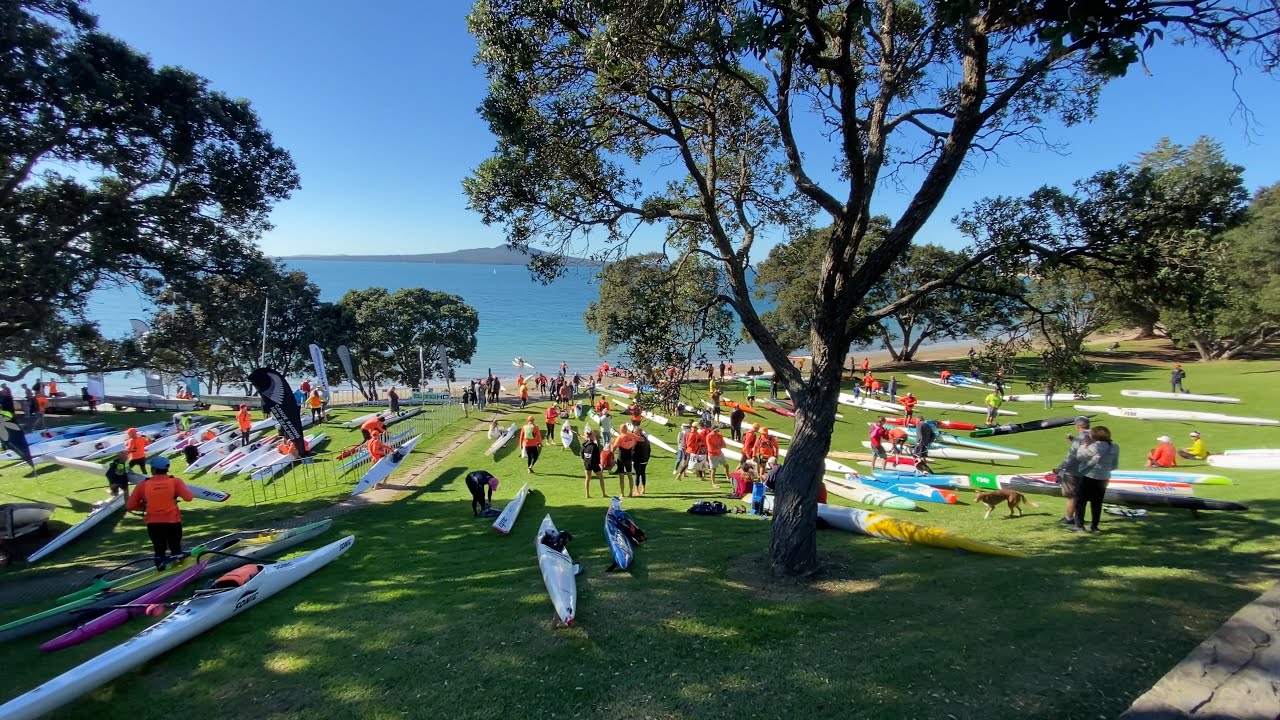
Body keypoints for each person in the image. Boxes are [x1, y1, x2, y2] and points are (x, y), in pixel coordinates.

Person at [126, 455, 194, 570]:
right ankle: (181, 568)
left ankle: (160, 568)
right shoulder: (176, 482)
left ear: (153, 469)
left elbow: (130, 505)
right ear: (166, 469)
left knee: (159, 550)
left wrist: (143, 505)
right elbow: (188, 498)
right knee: (175, 549)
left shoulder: (143, 485)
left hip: (153, 524)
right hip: (173, 522)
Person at [1070, 425, 1119, 533]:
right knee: (1097, 503)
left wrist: (1085, 445)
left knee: (1080, 501)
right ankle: (1094, 526)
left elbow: (1079, 457)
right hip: (1104, 478)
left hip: (1090, 476)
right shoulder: (1114, 447)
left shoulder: (1094, 447)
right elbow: (1114, 465)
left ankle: (1079, 525)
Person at [1054, 416, 1092, 525]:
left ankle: (1069, 518)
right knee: (1081, 496)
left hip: (1074, 471)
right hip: (1087, 471)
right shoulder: (1093, 436)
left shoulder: (1081, 438)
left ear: (1078, 426)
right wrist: (1073, 440)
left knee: (1072, 496)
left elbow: (1072, 456)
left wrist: (1060, 468)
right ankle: (1079, 518)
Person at [611, 423, 637, 496]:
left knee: (621, 477)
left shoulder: (620, 437)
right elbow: (634, 443)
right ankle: (630, 493)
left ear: (621, 430)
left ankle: (622, 493)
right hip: (629, 458)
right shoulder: (631, 436)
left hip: (621, 458)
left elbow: (614, 449)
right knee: (630, 476)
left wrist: (613, 444)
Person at [582, 429, 605, 498]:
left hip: (587, 463)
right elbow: (597, 455)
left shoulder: (584, 445)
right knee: (601, 478)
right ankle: (604, 494)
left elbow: (582, 454)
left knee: (587, 478)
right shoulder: (594, 446)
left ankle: (587, 495)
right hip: (594, 464)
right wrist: (598, 463)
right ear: (592, 436)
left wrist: (585, 460)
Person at [633, 428, 651, 496]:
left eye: (634, 432)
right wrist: (647, 458)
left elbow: (634, 451)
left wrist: (632, 459)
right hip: (645, 459)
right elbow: (649, 450)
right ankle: (643, 489)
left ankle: (636, 490)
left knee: (637, 474)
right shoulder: (646, 439)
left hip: (638, 460)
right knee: (643, 473)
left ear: (638, 433)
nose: (633, 433)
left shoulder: (637, 441)